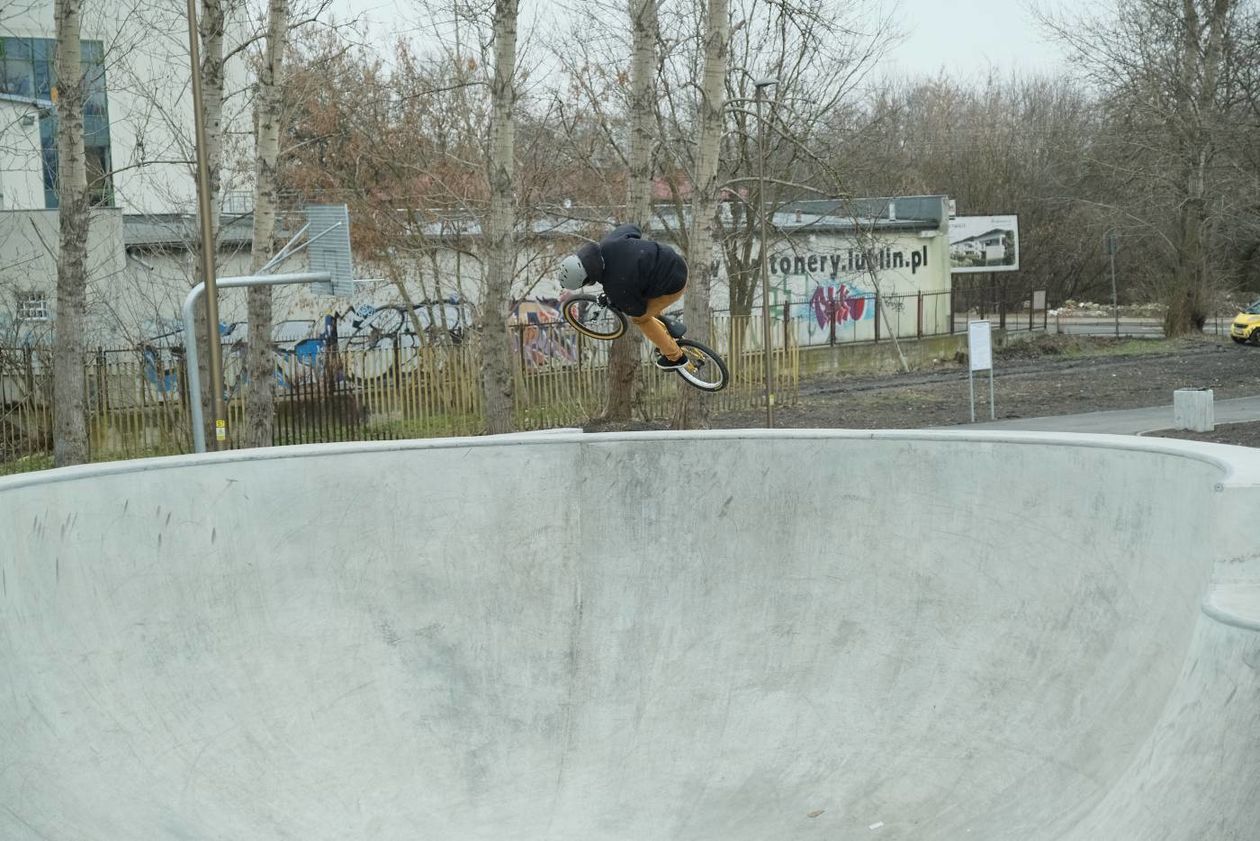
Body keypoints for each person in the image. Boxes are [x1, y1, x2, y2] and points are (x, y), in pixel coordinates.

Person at [558, 224, 689, 369]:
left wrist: (616, 302)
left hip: (675, 285)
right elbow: (634, 228)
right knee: (644, 297)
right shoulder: (609, 242)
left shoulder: (615, 286)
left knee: (640, 319)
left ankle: (675, 357)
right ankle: (666, 328)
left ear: (588, 278)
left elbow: (637, 310)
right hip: (675, 260)